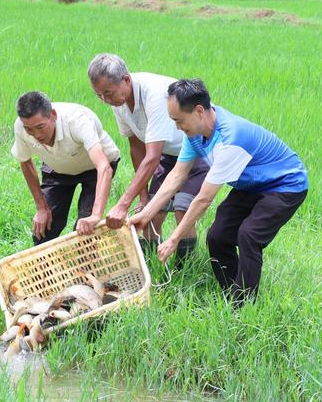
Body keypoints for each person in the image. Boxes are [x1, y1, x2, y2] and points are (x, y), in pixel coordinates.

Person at [127, 79, 308, 306]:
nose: (176, 127)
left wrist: (173, 239)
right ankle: (233, 293)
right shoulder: (195, 133)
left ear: (199, 111)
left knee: (249, 235)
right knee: (217, 236)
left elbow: (203, 199)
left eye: (179, 120)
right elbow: (176, 176)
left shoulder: (230, 139)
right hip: (250, 184)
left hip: (285, 184)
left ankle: (243, 307)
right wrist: (145, 215)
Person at [87, 53, 210, 270]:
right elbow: (137, 148)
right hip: (167, 154)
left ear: (126, 80)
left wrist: (123, 204)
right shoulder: (119, 101)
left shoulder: (155, 94)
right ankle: (151, 270)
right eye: (99, 95)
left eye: (108, 93)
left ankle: (183, 271)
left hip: (196, 147)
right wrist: (142, 197)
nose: (105, 100)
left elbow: (152, 157)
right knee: (151, 216)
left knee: (183, 210)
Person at [11, 91, 121, 245]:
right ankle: (47, 269)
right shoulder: (21, 126)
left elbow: (104, 167)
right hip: (58, 167)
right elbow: (25, 161)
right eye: (30, 129)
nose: (36, 134)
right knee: (43, 229)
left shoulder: (78, 120)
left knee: (84, 230)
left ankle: (86, 268)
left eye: (40, 127)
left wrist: (96, 215)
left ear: (53, 115)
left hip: (94, 168)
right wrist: (41, 207)